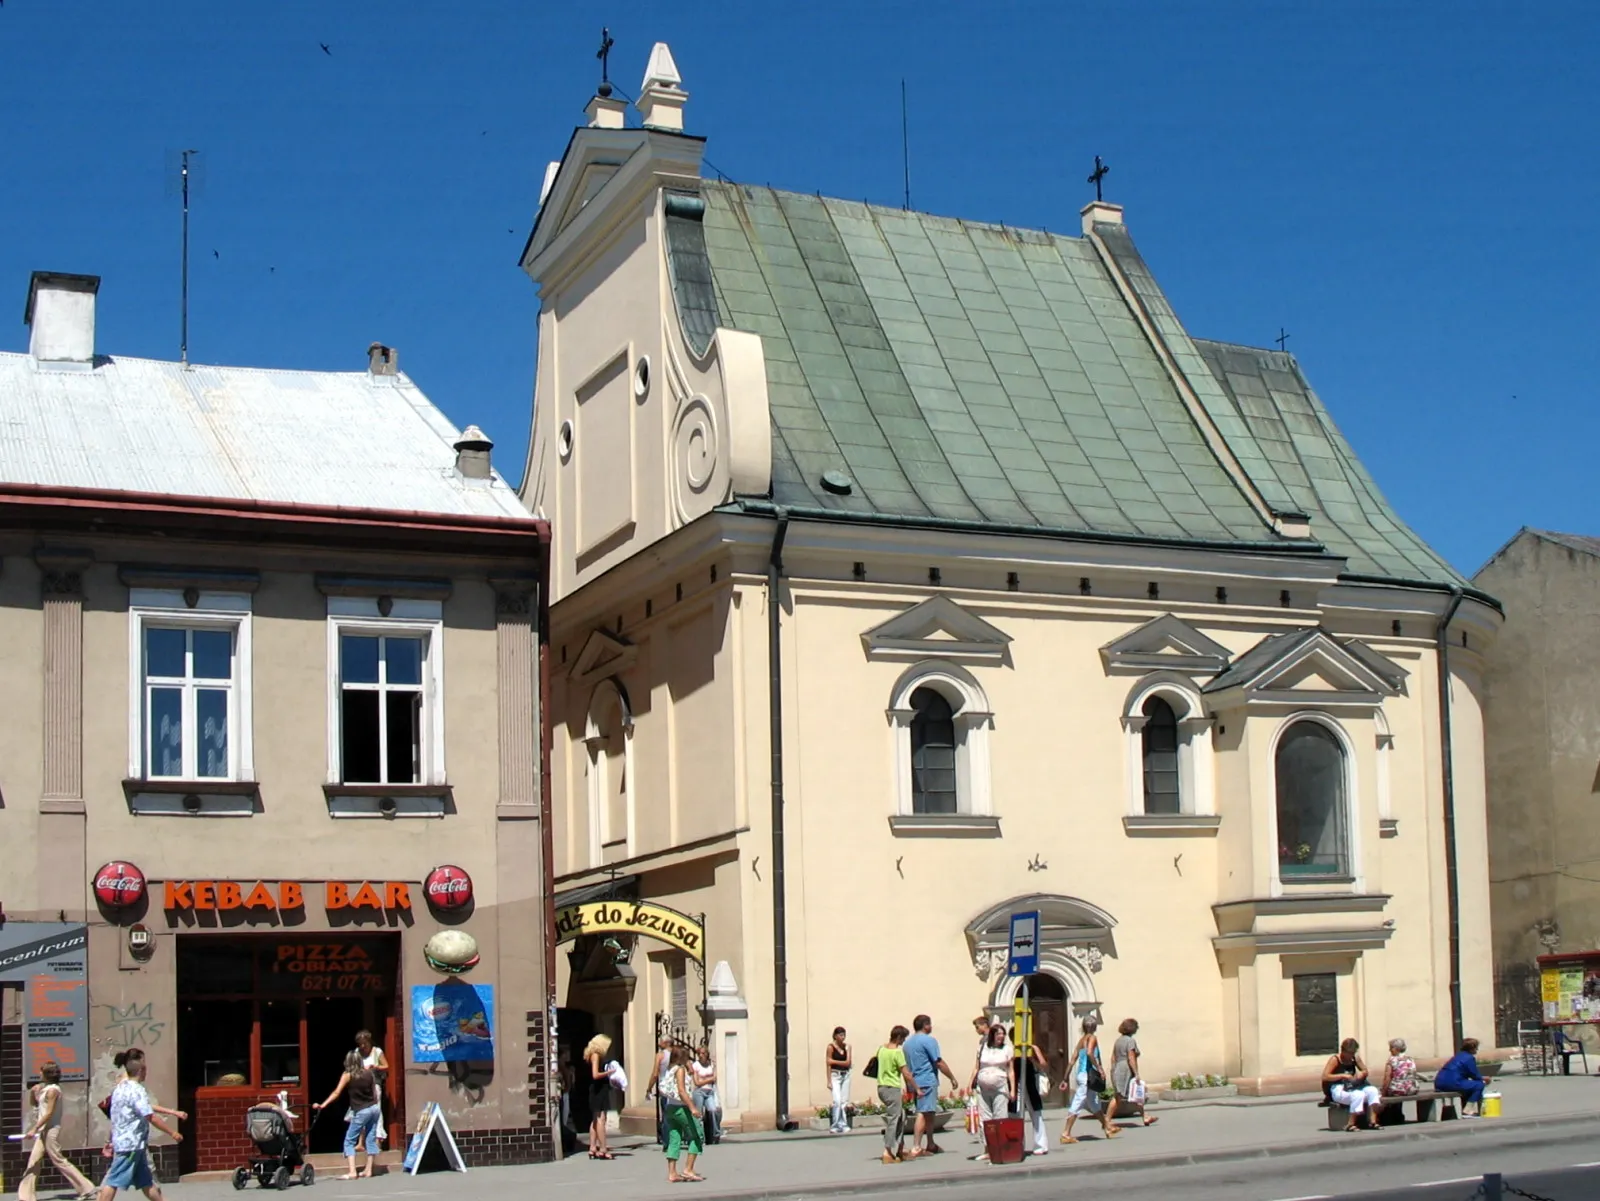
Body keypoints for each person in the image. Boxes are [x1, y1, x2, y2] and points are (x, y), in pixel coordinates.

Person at [96, 1048, 181, 1201]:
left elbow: (115, 1116)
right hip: (131, 1145)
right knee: (112, 1182)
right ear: (142, 1070)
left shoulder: (119, 1088)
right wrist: (172, 1132)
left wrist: (110, 1139)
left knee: (146, 1183)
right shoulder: (137, 1090)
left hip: (132, 1144)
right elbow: (150, 1116)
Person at [18, 1060, 97, 1201]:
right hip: (44, 1130)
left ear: (47, 1074)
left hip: (51, 1130)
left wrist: (34, 1128)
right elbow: (35, 1104)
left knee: (58, 1160)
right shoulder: (44, 1089)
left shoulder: (53, 1090)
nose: (39, 1073)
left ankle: (86, 1188)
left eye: (41, 1071)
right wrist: (33, 1093)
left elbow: (49, 1113)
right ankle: (26, 1197)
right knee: (33, 1161)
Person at [313, 1050, 381, 1178]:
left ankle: (352, 1171)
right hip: (374, 1108)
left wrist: (323, 1105)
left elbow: (336, 1093)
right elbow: (375, 1094)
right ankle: (368, 1170)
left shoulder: (347, 1075)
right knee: (370, 1138)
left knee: (349, 1140)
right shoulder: (369, 1073)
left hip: (361, 1110)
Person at [903, 1015, 960, 1158]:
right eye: (930, 1024)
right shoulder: (928, 1041)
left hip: (914, 1081)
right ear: (925, 1025)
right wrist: (951, 1077)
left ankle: (930, 1143)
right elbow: (938, 1062)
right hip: (927, 1080)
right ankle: (916, 1146)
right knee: (923, 1112)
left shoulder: (908, 1043)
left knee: (929, 1112)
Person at [1059, 1017, 1119, 1143]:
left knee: (1093, 1102)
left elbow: (1072, 1060)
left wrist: (1065, 1078)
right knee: (1078, 1102)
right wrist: (1099, 1068)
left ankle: (1107, 1127)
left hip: (1082, 1074)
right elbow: (1090, 1053)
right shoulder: (1092, 1038)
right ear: (1095, 1026)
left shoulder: (1081, 1041)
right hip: (1088, 1075)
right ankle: (1066, 1133)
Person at [968, 1024, 1014, 1162]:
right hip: (983, 1088)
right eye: (998, 1034)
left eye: (1003, 1034)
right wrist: (970, 1084)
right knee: (985, 1119)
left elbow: (1010, 1070)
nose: (1001, 1036)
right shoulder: (982, 1048)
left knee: (1000, 1117)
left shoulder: (1007, 1049)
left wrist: (1012, 1090)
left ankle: (1002, 1149)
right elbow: (977, 1067)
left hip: (1000, 1087)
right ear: (992, 1035)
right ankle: (988, 1149)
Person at [872, 1025, 917, 1164]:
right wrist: (916, 1088)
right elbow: (906, 1073)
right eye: (903, 1038)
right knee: (894, 1119)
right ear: (898, 1037)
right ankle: (887, 1151)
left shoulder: (881, 1049)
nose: (903, 1041)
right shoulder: (897, 1052)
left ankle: (900, 1147)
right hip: (892, 1088)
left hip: (881, 1087)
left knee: (901, 1116)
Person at [659, 1047, 704, 1182]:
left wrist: (690, 1068)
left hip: (670, 1107)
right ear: (682, 1057)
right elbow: (682, 1091)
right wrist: (693, 1108)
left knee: (674, 1138)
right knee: (697, 1135)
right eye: (687, 1057)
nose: (689, 1059)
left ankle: (672, 1173)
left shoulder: (670, 1069)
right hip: (681, 1108)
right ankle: (688, 1169)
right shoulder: (680, 1070)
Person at [1322, 1038, 1382, 1132]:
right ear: (1344, 1051)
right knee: (1358, 1095)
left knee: (1373, 1090)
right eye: (1350, 1053)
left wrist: (1363, 1073)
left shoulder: (1355, 1058)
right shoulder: (1335, 1059)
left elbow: (1365, 1070)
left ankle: (1373, 1121)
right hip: (1338, 1088)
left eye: (1353, 1052)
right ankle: (1350, 1124)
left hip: (1352, 1086)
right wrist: (1342, 1076)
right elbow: (1325, 1076)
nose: (1351, 1055)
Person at [1108, 1018, 1157, 1128]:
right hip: (1125, 1069)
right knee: (1119, 1096)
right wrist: (1136, 1073)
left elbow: (1113, 1057)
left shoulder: (1118, 1041)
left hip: (1117, 1067)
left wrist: (1113, 1070)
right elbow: (1131, 1057)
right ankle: (1107, 1119)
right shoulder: (1130, 1041)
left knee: (1136, 1093)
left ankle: (1145, 1116)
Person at [1010, 1027, 1049, 1156]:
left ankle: (1041, 1145)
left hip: (1030, 1083)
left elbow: (1043, 1065)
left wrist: (1033, 1056)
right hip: (1016, 1085)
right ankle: (1017, 1144)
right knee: (1015, 1114)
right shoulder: (1011, 1050)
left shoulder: (1032, 1048)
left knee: (1035, 1112)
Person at [1434, 1037, 1487, 1115]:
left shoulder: (1457, 1056)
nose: (1477, 1050)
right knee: (1479, 1085)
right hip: (1452, 1083)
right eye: (1476, 1048)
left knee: (1469, 1085)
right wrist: (1484, 1078)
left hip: (1439, 1083)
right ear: (1472, 1048)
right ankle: (1468, 1110)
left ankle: (1464, 1107)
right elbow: (1475, 1075)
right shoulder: (1469, 1058)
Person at [583, 1033, 616, 1160]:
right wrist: (610, 1072)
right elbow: (595, 1075)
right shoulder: (596, 1055)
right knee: (601, 1119)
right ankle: (603, 1148)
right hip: (599, 1090)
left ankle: (592, 1147)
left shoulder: (590, 1055)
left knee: (595, 1119)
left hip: (595, 1089)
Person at [354, 1030, 389, 1144]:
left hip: (374, 1085)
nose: (363, 1046)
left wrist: (376, 1066)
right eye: (360, 1043)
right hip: (361, 1087)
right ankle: (361, 1142)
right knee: (361, 1112)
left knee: (375, 1111)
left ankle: (378, 1140)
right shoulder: (357, 1053)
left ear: (369, 1042)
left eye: (365, 1043)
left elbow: (386, 1066)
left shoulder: (377, 1051)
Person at [644, 1035, 674, 1146]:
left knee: (666, 1116)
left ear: (666, 1042)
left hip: (665, 1088)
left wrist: (649, 1088)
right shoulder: (678, 1054)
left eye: (660, 1041)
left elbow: (655, 1074)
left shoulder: (660, 1056)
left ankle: (667, 1142)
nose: (658, 1043)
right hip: (678, 1088)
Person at [691, 1045, 722, 1144]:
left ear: (707, 1054)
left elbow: (715, 1078)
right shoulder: (695, 1065)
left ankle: (715, 1134)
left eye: (703, 1053)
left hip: (709, 1092)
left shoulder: (711, 1065)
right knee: (698, 1114)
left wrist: (704, 1080)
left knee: (713, 1110)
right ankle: (699, 1136)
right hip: (699, 1092)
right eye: (699, 1053)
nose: (701, 1055)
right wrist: (709, 1079)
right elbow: (697, 1082)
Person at [825, 1027, 852, 1134]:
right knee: (837, 1100)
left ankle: (843, 1124)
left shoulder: (847, 1047)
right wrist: (828, 1081)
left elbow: (848, 1062)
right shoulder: (830, 1047)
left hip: (846, 1075)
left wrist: (833, 1061)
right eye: (840, 1035)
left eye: (844, 1035)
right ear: (835, 1036)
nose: (843, 1037)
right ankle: (835, 1125)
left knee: (844, 1101)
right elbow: (828, 1064)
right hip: (835, 1075)